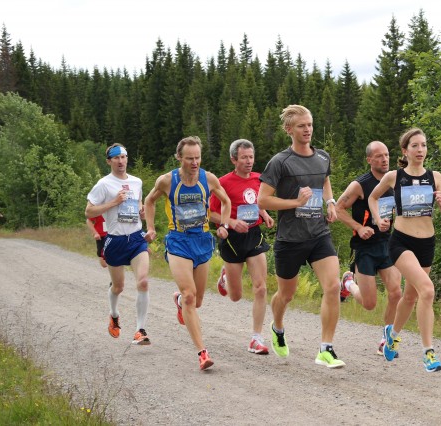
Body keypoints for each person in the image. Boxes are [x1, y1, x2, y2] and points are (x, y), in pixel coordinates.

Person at [257, 104, 345, 368]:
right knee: (286, 295)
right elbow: (263, 199)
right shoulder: (280, 162)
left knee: (333, 286)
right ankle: (278, 327)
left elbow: (324, 180)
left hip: (318, 233)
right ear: (289, 130)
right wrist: (295, 202)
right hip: (290, 238)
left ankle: (325, 348)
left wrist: (330, 202)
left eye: (310, 125)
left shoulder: (322, 157)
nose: (307, 130)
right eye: (301, 126)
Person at [369, 128, 441, 372]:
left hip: (427, 242)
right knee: (427, 290)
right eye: (415, 146)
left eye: (424, 145)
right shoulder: (394, 177)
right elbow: (373, 199)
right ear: (405, 151)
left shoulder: (435, 177)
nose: (420, 150)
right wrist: (379, 219)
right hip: (401, 241)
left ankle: (392, 337)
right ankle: (429, 353)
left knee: (411, 296)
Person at [144, 136, 231, 371]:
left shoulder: (209, 178)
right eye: (189, 158)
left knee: (197, 300)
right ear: (179, 158)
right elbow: (149, 201)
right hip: (178, 241)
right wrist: (151, 228)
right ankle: (203, 353)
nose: (194, 163)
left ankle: (180, 301)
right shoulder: (166, 181)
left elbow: (225, 201)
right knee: (191, 294)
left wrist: (224, 225)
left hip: (202, 241)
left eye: (198, 158)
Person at [335, 141, 403, 356]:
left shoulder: (394, 180)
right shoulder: (360, 185)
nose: (385, 159)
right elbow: (338, 208)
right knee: (369, 304)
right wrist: (359, 227)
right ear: (369, 160)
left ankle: (386, 339)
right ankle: (348, 283)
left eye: (386, 155)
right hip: (364, 247)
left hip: (387, 244)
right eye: (379, 156)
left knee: (396, 292)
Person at [209, 139, 274, 355]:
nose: (249, 161)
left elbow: (258, 202)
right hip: (232, 239)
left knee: (261, 287)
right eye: (244, 157)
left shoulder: (259, 179)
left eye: (251, 157)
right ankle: (226, 276)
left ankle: (256, 338)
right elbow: (211, 213)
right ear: (234, 160)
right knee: (235, 296)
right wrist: (230, 222)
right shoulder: (223, 182)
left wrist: (264, 214)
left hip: (254, 236)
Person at [85, 143, 151, 346]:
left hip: (137, 238)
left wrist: (142, 213)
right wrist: (113, 202)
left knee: (143, 282)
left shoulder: (136, 182)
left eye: (124, 157)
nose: (121, 161)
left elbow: (139, 205)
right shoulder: (104, 184)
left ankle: (140, 330)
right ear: (109, 161)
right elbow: (89, 212)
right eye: (116, 158)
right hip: (115, 240)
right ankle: (114, 315)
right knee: (118, 286)